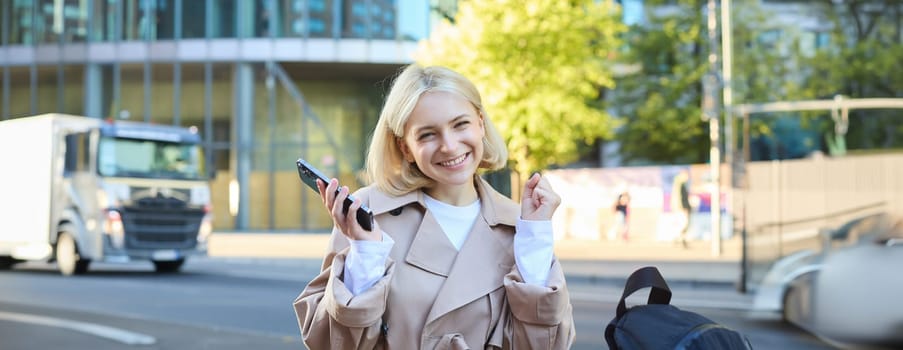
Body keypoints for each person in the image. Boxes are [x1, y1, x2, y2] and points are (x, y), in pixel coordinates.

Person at [293, 64, 575, 349]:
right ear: (406, 148)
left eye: (460, 124)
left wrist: (536, 240)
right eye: (428, 134)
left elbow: (546, 345)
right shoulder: (367, 214)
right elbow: (329, 343)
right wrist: (365, 254)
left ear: (480, 123)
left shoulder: (520, 224)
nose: (450, 146)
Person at [671, 169, 691, 248]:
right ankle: (679, 238)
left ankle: (681, 238)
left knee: (683, 224)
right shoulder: (680, 184)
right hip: (681, 207)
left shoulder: (680, 183)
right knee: (684, 223)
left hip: (681, 207)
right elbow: (680, 197)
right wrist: (683, 207)